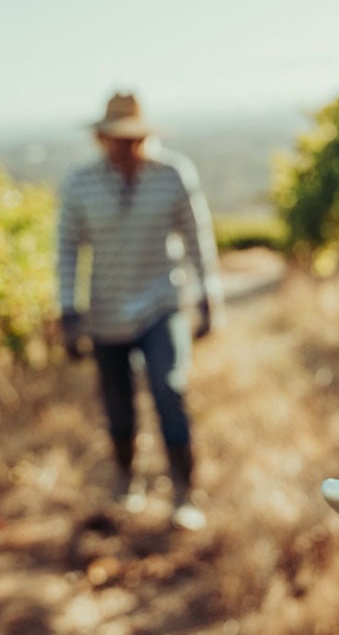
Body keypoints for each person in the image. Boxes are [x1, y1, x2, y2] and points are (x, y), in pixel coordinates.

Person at [58, 91, 223, 531]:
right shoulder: (80, 185)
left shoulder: (172, 175)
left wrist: (209, 296)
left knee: (169, 387)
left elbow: (196, 237)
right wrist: (69, 311)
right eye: (117, 139)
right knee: (118, 404)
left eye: (133, 139)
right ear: (102, 139)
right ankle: (126, 481)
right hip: (106, 310)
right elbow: (68, 250)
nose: (125, 148)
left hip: (160, 302)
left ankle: (184, 492)